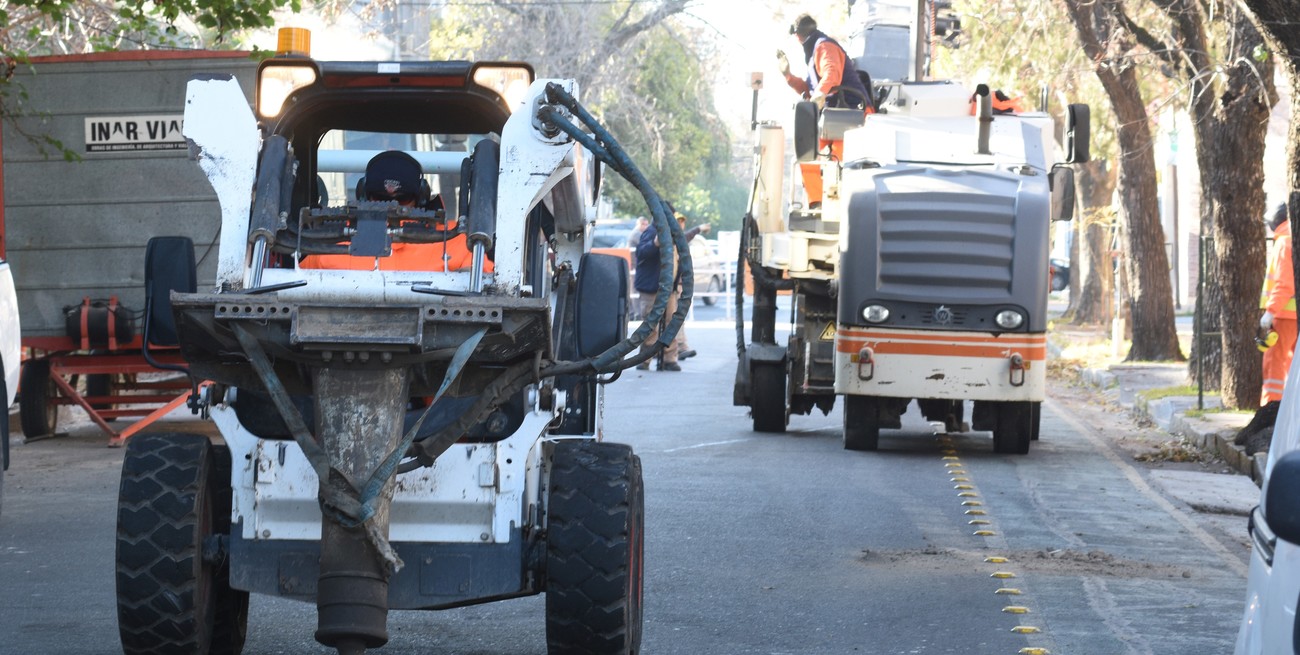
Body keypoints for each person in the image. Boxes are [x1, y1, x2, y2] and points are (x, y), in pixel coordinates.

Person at [301, 150, 493, 273]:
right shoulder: (328, 241)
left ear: (421, 198)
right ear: (364, 196)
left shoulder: (459, 241)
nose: (391, 208)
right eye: (381, 199)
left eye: (402, 199)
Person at [777, 13, 870, 208]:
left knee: (839, 156)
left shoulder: (824, 46)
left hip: (854, 114)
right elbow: (809, 89)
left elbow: (831, 75)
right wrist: (788, 76)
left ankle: (845, 203)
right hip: (835, 117)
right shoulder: (815, 52)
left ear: (797, 37)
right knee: (807, 152)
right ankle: (817, 203)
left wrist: (819, 94)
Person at [1236, 203, 1295, 455]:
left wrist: (1270, 311)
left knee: (1275, 366)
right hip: (1292, 316)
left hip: (1285, 316)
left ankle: (1271, 414)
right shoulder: (1293, 237)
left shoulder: (1284, 241)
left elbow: (1284, 283)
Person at [674, 212, 711, 360]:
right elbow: (686, 237)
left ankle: (678, 348)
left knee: (677, 317)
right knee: (675, 317)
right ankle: (678, 348)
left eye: (682, 222)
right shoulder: (674, 238)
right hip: (672, 285)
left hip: (677, 284)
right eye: (678, 221)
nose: (680, 224)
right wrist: (699, 228)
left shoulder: (676, 238)